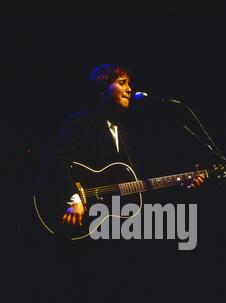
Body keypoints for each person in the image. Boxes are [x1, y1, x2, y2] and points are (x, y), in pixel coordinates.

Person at [44, 63, 206, 228]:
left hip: (110, 223)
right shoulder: (80, 122)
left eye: (129, 84)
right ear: (102, 89)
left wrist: (181, 183)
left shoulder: (123, 131)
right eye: (122, 83)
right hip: (78, 218)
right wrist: (74, 198)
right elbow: (56, 161)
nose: (129, 89)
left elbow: (140, 183)